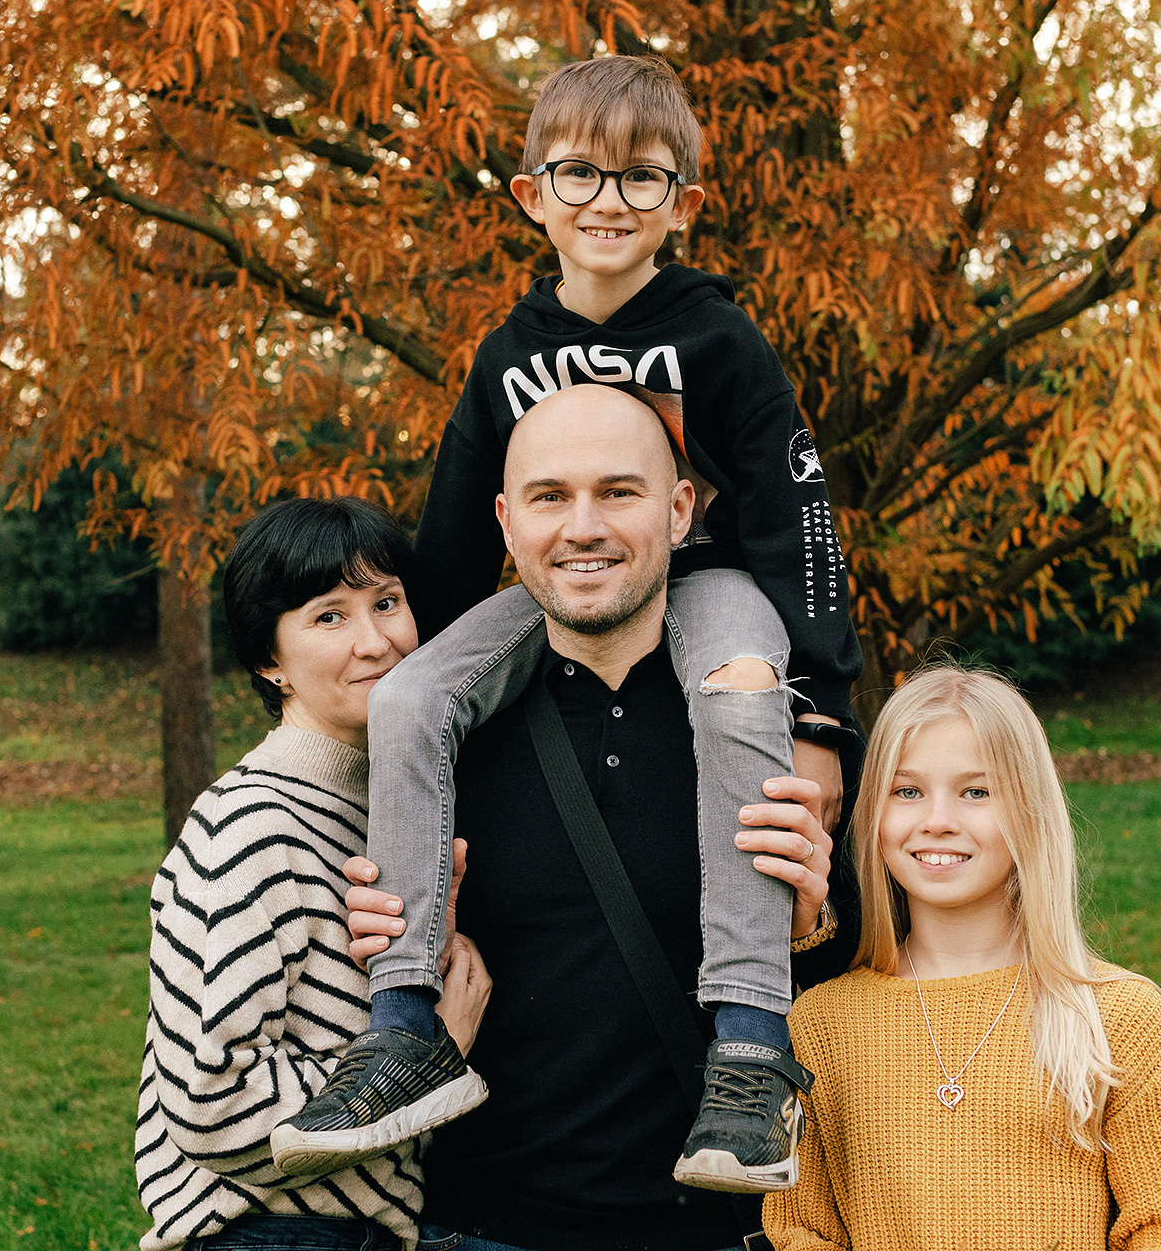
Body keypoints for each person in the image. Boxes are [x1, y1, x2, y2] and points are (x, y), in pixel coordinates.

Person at [272, 53, 864, 1196]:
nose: (606, 199)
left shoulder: (721, 342)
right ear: (529, 194)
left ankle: (747, 1043)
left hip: (707, 586)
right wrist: (414, 680)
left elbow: (800, 522)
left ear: (683, 205)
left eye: (640, 178)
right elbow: (451, 532)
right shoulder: (506, 356)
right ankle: (402, 1023)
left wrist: (824, 720)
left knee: (739, 678)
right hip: (545, 602)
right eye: (577, 172)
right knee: (409, 697)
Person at [322, 384, 849, 1251]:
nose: (583, 527)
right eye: (549, 497)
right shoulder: (446, 734)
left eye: (618, 492)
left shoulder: (763, 724)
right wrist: (405, 925)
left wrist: (810, 920)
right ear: (505, 520)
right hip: (484, 1224)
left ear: (681, 510)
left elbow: (882, 968)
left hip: (720, 1229)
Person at [761, 666, 1161, 1251]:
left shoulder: (1116, 1017)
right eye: (908, 790)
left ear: (1029, 811)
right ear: (872, 815)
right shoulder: (821, 1024)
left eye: (976, 792)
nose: (937, 821)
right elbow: (801, 1230)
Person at [135, 497, 494, 1251]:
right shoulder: (249, 825)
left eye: (387, 603)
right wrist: (426, 1060)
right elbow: (212, 1103)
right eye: (329, 616)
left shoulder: (393, 800)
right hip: (272, 1235)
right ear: (270, 659)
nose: (377, 642)